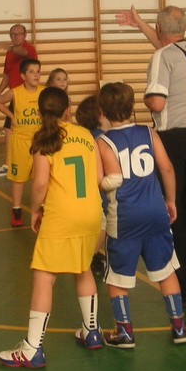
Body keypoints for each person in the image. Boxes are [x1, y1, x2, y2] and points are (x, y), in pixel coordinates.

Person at [0, 87, 109, 368]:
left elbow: (39, 185)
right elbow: (99, 177)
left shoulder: (43, 139)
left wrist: (35, 210)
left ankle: (32, 349)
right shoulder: (86, 135)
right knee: (83, 268)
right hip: (91, 213)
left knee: (44, 278)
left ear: (39, 113)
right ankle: (92, 332)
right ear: (68, 110)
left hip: (62, 216)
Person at [115, 5, 186, 304]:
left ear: (160, 28)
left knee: (171, 210)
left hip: (173, 139)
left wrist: (140, 98)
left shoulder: (161, 56)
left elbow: (157, 103)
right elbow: (165, 46)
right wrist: (141, 24)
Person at [96, 82, 186, 347]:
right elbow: (167, 168)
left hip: (124, 217)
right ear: (132, 107)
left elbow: (100, 182)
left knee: (117, 277)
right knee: (165, 270)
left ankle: (124, 332)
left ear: (101, 111)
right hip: (155, 212)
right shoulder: (148, 132)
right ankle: (179, 328)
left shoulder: (102, 142)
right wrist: (170, 200)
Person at [0, 57, 43, 227]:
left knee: (41, 177)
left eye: (38, 72)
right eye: (31, 72)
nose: (36, 75)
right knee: (18, 178)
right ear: (23, 76)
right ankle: (16, 210)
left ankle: (41, 209)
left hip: (39, 141)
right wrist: (11, 116)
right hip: (20, 141)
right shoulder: (15, 92)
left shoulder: (44, 92)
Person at [0, 24, 38, 176]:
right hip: (15, 96)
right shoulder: (9, 54)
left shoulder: (29, 49)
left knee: (21, 129)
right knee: (10, 129)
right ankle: (8, 163)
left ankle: (10, 163)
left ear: (25, 35)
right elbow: (7, 75)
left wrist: (10, 48)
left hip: (27, 97)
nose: (16, 37)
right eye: (13, 34)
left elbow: (22, 52)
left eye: (19, 34)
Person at [74, 93, 109, 274]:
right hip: (98, 193)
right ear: (101, 114)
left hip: (80, 193)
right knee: (106, 226)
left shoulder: (82, 136)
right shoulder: (102, 139)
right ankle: (89, 256)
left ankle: (92, 255)